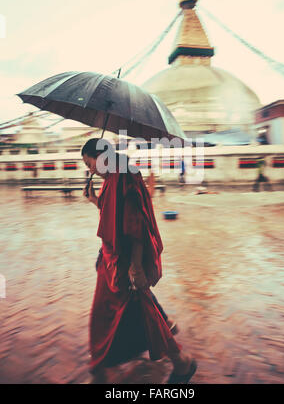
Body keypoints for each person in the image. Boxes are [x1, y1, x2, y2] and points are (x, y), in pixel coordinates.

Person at [81, 138, 197, 384]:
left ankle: (180, 361)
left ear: (100, 157)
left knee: (132, 313)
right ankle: (100, 369)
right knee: (117, 314)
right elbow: (113, 215)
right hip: (111, 261)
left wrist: (135, 266)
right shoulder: (113, 178)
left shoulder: (124, 176)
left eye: (88, 162)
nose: (89, 169)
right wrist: (93, 199)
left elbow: (136, 224)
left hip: (124, 263)